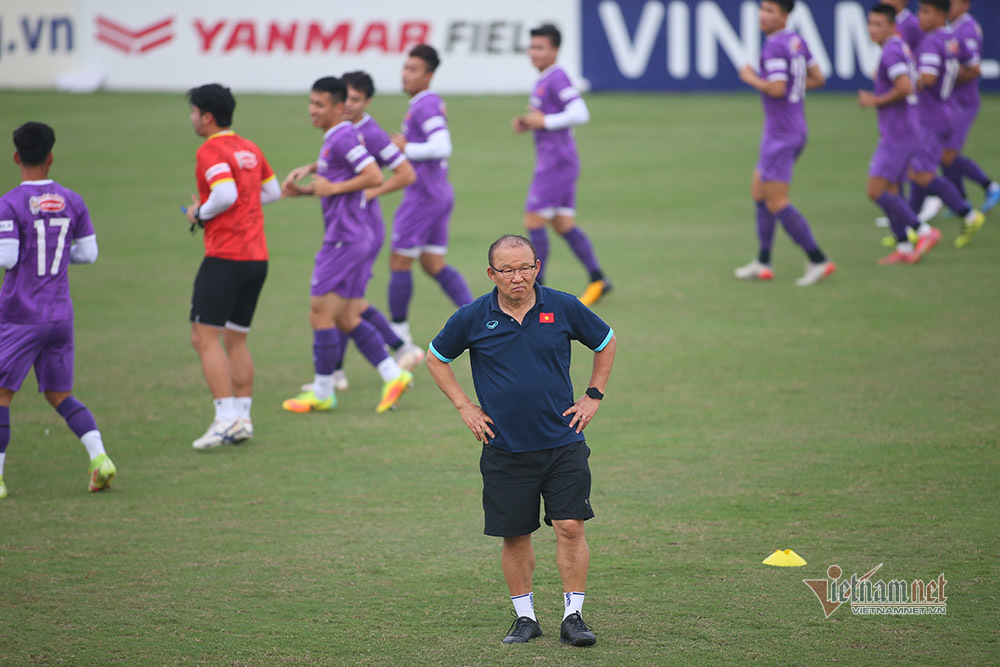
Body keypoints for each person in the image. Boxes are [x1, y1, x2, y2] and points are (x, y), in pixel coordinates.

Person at [426, 234, 616, 647]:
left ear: (537, 267)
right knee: (516, 535)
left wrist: (593, 395)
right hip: (505, 449)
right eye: (508, 270)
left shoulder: (562, 306)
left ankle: (574, 616)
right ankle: (525, 618)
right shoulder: (473, 317)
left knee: (569, 525)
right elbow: (436, 358)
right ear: (491, 274)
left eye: (526, 267)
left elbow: (605, 342)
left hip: (563, 443)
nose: (518, 277)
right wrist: (465, 407)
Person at [285, 71, 424, 394]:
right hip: (353, 229)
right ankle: (392, 363)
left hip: (355, 230)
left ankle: (330, 380)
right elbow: (340, 166)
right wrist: (310, 175)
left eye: (354, 100)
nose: (347, 105)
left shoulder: (366, 134)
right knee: (349, 309)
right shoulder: (342, 135)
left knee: (330, 309)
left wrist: (363, 193)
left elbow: (400, 174)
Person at [0, 121, 116, 497]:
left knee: (1, 394)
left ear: (17, 156)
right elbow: (89, 253)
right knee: (59, 393)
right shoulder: (73, 200)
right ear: (51, 157)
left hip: (20, 314)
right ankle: (100, 459)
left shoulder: (9, 203)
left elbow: (8, 256)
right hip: (60, 315)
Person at [184, 83, 280, 449]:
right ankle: (242, 418)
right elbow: (271, 192)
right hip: (257, 257)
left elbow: (224, 193)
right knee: (236, 338)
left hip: (225, 256)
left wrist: (199, 213)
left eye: (193, 112)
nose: (192, 118)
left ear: (206, 116)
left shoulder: (211, 150)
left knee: (204, 336)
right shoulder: (249, 148)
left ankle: (224, 420)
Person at [735, 0, 835, 286]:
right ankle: (763, 261)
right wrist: (793, 87)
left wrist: (751, 78)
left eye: (770, 11)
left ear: (785, 15)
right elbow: (818, 78)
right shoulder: (795, 42)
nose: (763, 15)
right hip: (783, 130)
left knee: (777, 201)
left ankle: (818, 259)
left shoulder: (775, 46)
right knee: (758, 191)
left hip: (783, 135)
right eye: (762, 9)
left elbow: (777, 88)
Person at [513, 23, 612, 306]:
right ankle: (598, 278)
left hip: (556, 162)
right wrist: (529, 123)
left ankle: (536, 291)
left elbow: (580, 112)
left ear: (555, 50)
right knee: (562, 223)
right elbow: (549, 117)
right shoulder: (544, 78)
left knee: (533, 219)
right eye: (531, 47)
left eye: (540, 47)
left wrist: (545, 121)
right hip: (557, 160)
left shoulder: (557, 77)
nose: (534, 52)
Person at [387, 44, 473, 348]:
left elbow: (442, 146)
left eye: (413, 70)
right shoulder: (426, 103)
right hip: (438, 192)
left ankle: (399, 335)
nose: (406, 74)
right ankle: (480, 319)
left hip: (422, 196)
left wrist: (404, 148)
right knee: (432, 262)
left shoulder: (425, 104)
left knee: (399, 262)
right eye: (405, 67)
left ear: (429, 75)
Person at [859, 4, 940, 264]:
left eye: (879, 24)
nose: (873, 29)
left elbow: (905, 87)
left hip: (899, 133)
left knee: (875, 190)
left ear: (893, 26)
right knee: (892, 187)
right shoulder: (898, 47)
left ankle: (923, 230)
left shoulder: (891, 50)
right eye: (870, 23)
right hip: (905, 127)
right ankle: (904, 246)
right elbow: (911, 82)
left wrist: (875, 100)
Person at [907, 0, 986, 249]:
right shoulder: (952, 39)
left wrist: (902, 81)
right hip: (947, 109)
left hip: (931, 117)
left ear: (941, 13)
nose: (920, 16)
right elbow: (973, 67)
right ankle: (911, 229)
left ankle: (968, 214)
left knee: (921, 173)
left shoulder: (931, 41)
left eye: (925, 11)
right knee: (917, 169)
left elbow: (928, 78)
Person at [941, 0, 1000, 213]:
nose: (949, 5)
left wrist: (946, 78)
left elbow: (974, 69)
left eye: (954, 2)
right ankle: (960, 201)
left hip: (963, 102)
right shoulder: (951, 27)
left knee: (948, 155)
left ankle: (989, 186)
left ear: (966, 4)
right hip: (950, 102)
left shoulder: (966, 29)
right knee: (942, 152)